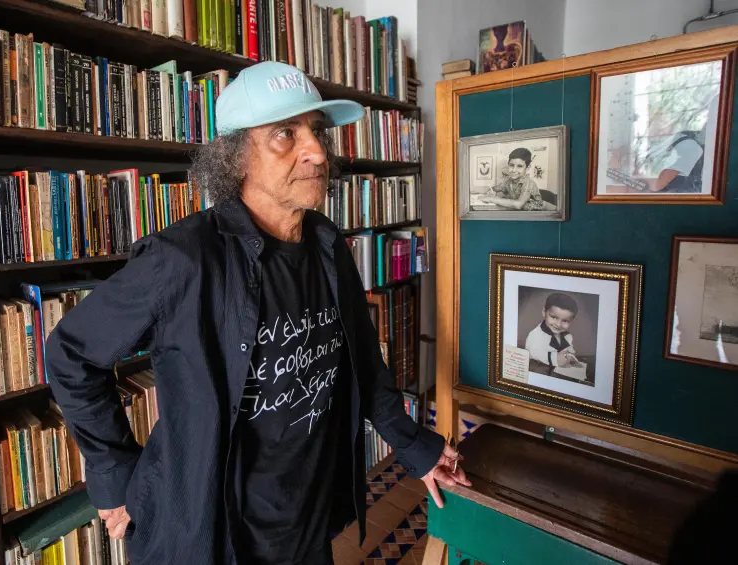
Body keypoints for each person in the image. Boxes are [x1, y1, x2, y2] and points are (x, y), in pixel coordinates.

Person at [44, 61, 469, 565]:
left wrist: (415, 446)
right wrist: (115, 476)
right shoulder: (182, 259)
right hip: (211, 536)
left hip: (307, 525)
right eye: (285, 134)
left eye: (316, 130)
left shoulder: (331, 249)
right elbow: (70, 354)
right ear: (236, 157)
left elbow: (363, 365)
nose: (315, 150)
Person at [482, 147, 557, 211]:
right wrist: (491, 191)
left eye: (519, 166)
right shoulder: (509, 181)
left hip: (541, 214)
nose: (514, 170)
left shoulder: (529, 183)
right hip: (522, 214)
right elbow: (496, 188)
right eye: (511, 165)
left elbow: (518, 205)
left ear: (527, 168)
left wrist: (492, 199)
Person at [525, 292, 581, 368]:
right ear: (544, 312)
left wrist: (570, 355)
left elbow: (569, 350)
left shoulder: (567, 336)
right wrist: (555, 359)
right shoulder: (535, 335)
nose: (558, 324)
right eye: (554, 317)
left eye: (565, 321)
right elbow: (532, 351)